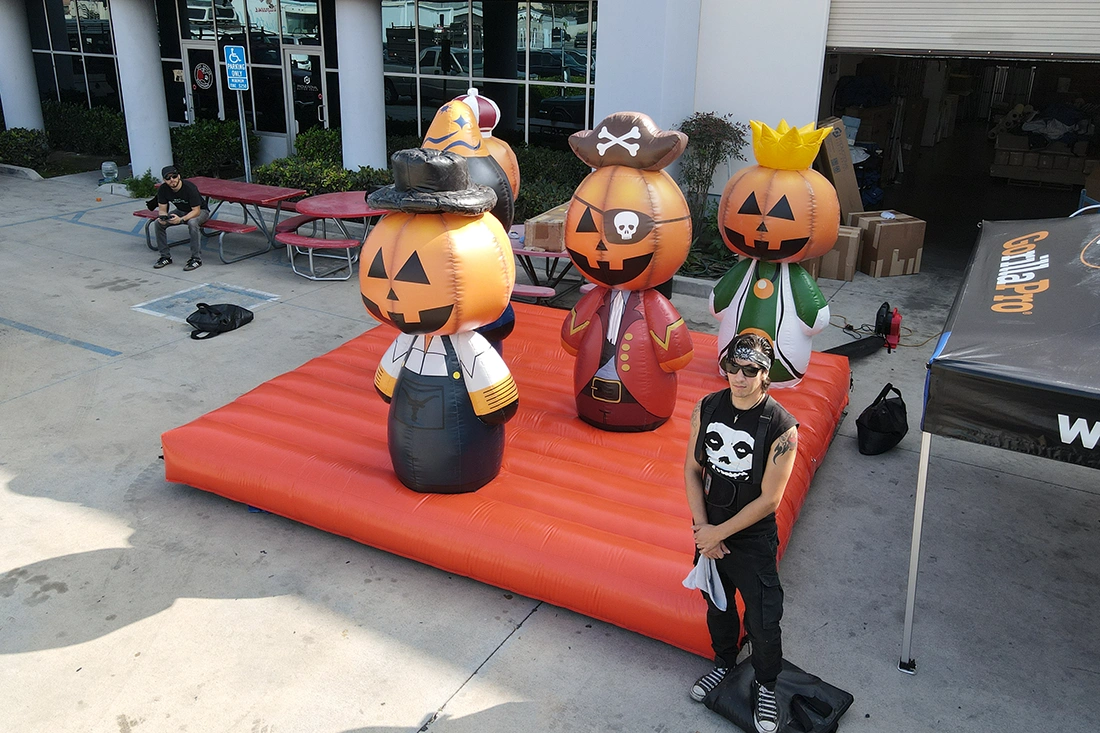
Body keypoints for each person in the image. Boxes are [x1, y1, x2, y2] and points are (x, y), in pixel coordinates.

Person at [683, 333, 799, 733]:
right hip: (709, 527)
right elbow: (692, 470)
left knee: (764, 619)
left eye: (750, 370)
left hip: (750, 537)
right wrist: (703, 530)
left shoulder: (783, 427)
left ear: (766, 374)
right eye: (732, 368)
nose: (739, 377)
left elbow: (769, 499)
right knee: (718, 606)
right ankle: (723, 663)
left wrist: (718, 534)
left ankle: (766, 684)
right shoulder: (708, 406)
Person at [153, 165, 209, 271]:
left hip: (200, 211)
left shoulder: (189, 188)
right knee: (157, 223)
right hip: (181, 210)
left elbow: (196, 211)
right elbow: (162, 208)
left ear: (179, 176)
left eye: (174, 176)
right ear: (164, 180)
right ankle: (165, 256)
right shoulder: (163, 189)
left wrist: (181, 219)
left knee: (192, 223)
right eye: (168, 178)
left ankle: (196, 259)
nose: (172, 180)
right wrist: (163, 218)